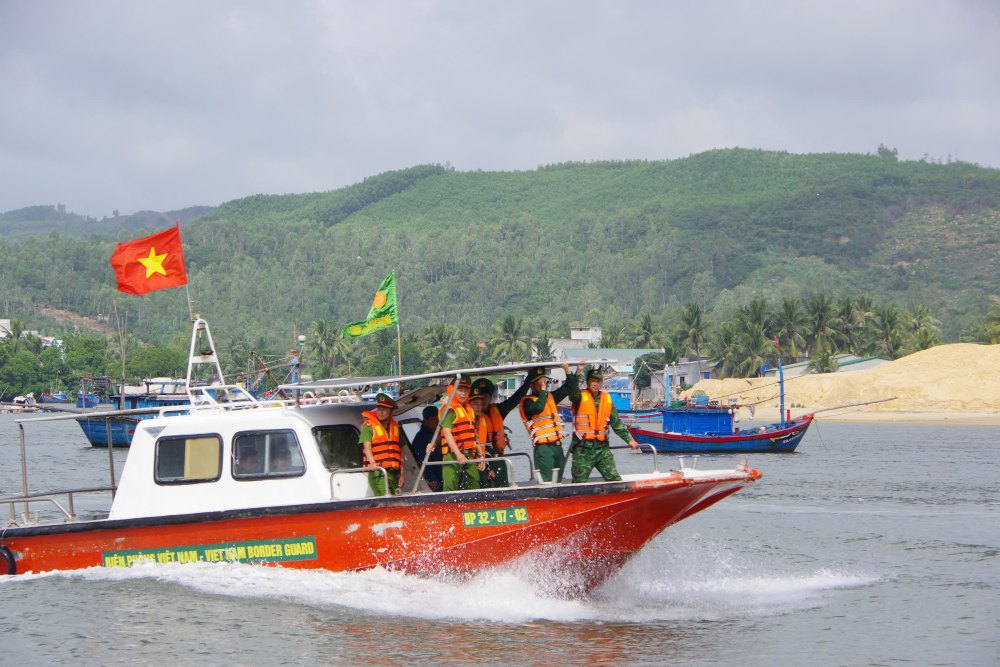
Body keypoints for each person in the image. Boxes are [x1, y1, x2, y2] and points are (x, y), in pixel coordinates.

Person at [567, 368, 640, 483]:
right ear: (587, 382)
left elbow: (616, 423)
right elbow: (572, 391)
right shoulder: (579, 397)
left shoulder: (607, 399)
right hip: (582, 450)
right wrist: (577, 373)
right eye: (592, 381)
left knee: (614, 479)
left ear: (601, 383)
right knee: (579, 482)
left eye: (598, 381)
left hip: (602, 449)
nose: (595, 384)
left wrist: (629, 440)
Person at [517, 362, 576, 483]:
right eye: (538, 383)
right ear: (532, 386)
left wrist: (568, 370)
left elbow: (569, 387)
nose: (542, 384)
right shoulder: (527, 402)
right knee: (547, 481)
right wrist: (543, 390)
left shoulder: (550, 397)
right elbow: (539, 407)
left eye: (543, 381)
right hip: (543, 448)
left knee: (558, 480)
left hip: (557, 446)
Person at [470, 377, 530, 487]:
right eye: (480, 398)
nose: (483, 401)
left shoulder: (499, 410)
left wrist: (530, 379)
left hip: (498, 460)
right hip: (481, 463)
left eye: (486, 396)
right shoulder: (470, 418)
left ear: (490, 397)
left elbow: (516, 398)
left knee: (503, 488)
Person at [436, 379, 487, 491]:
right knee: (450, 486)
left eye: (466, 390)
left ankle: (474, 502)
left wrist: (481, 455)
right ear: (453, 390)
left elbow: (474, 434)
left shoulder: (469, 410)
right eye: (460, 390)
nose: (463, 393)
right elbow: (447, 433)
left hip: (469, 454)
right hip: (452, 455)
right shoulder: (450, 409)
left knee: (474, 483)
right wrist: (458, 454)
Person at [360, 392, 405, 496]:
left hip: (393, 473)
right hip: (378, 472)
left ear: (391, 411)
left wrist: (402, 473)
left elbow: (401, 452)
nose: (380, 412)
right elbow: (367, 446)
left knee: (394, 500)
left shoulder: (396, 428)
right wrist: (372, 462)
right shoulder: (369, 426)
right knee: (385, 498)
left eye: (384, 409)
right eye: (379, 409)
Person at [410, 405, 443, 491]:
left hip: (442, 472)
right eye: (434, 420)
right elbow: (421, 460)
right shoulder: (420, 439)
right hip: (435, 478)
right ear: (426, 420)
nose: (437, 422)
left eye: (438, 419)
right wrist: (431, 478)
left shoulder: (440, 434)